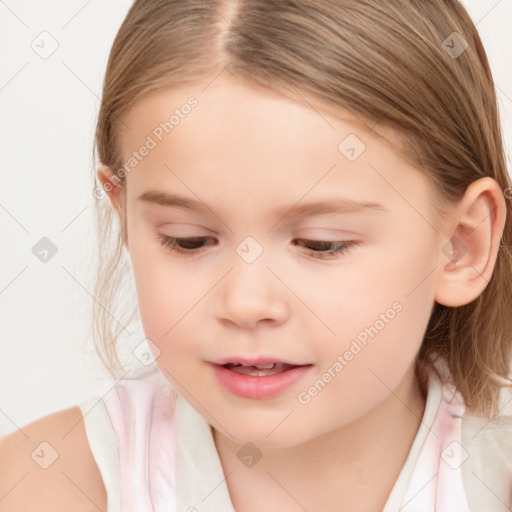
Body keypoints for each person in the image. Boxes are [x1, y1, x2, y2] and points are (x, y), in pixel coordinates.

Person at [2, 0, 512, 510]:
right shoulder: (39, 486)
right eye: (188, 239)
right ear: (126, 219)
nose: (245, 302)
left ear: (461, 245)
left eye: (321, 244)